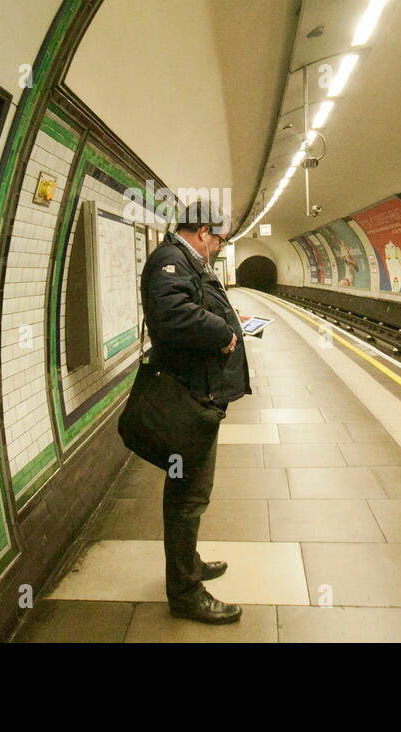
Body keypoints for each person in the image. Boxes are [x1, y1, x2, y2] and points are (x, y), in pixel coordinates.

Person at [139, 200, 250, 624]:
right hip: (186, 399)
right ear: (203, 231)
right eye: (219, 239)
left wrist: (229, 318)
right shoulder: (172, 260)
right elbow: (171, 316)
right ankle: (185, 592)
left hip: (198, 396)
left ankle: (188, 562)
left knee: (190, 493)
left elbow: (191, 307)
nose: (220, 248)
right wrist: (223, 331)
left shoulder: (185, 261)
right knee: (188, 496)